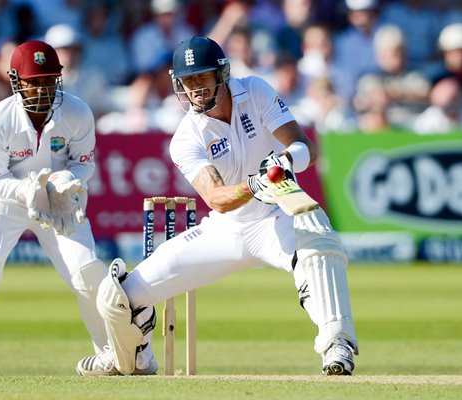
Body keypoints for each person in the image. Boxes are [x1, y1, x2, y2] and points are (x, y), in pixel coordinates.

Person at [76, 36, 358, 377]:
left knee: (319, 242)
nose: (194, 89)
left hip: (275, 217)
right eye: (188, 81)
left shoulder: (254, 90)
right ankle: (130, 359)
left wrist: (283, 162)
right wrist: (257, 183)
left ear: (222, 74)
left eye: (202, 78)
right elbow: (216, 199)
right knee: (116, 297)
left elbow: (306, 148)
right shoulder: (186, 136)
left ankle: (336, 344)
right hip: (225, 229)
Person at [0, 40, 112, 377]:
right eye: (33, 82)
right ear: (15, 81)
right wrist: (27, 190)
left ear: (59, 79)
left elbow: (85, 163)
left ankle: (114, 354)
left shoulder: (77, 112)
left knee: (86, 270)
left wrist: (65, 181)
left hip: (58, 199)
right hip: (7, 201)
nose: (42, 90)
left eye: (48, 81)